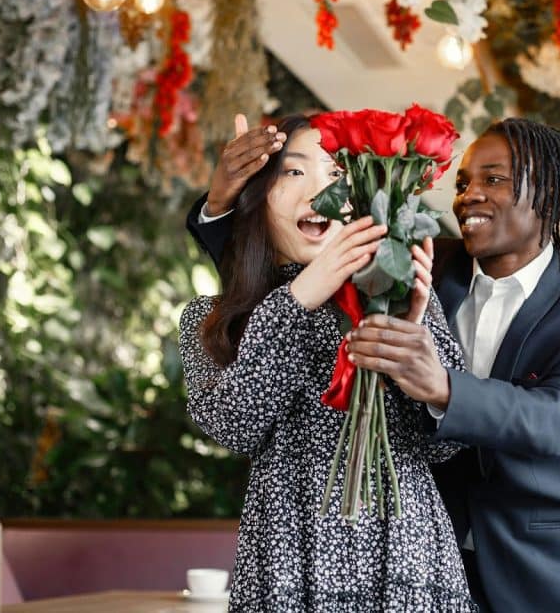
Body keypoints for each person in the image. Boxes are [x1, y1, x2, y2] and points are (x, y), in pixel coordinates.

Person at [187, 116, 560, 612]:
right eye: (462, 183)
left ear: (549, 196)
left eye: (494, 179)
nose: (468, 196)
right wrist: (223, 202)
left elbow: (559, 418)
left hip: (538, 574)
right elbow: (266, 268)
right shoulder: (406, 266)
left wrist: (442, 387)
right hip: (395, 555)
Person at [178, 114, 475, 611]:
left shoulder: (396, 295)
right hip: (287, 559)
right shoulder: (212, 319)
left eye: (336, 173)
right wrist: (297, 300)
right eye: (294, 172)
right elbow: (235, 426)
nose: (320, 191)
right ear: (255, 198)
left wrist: (409, 344)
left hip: (406, 560)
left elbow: (447, 444)